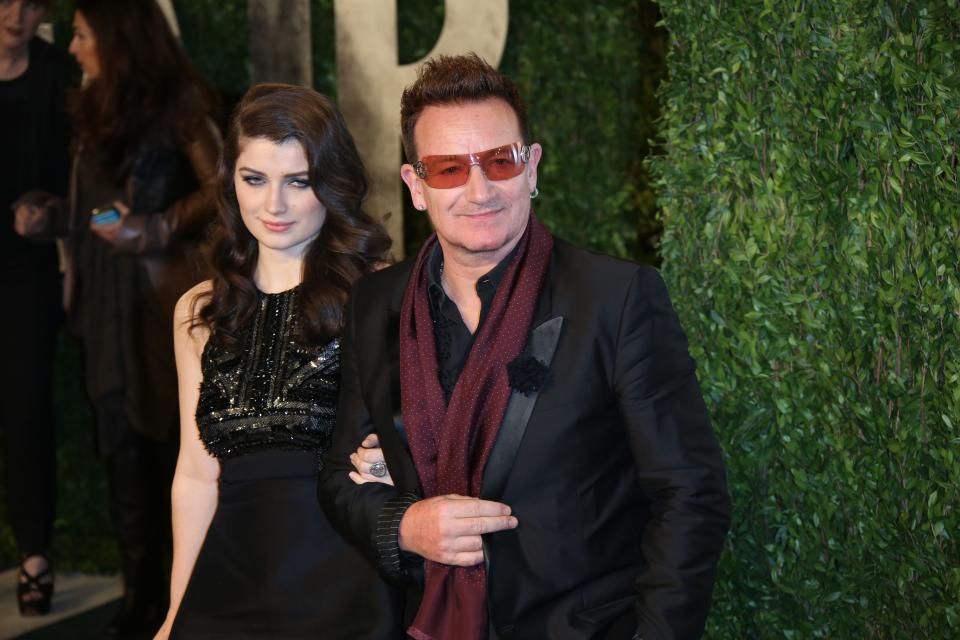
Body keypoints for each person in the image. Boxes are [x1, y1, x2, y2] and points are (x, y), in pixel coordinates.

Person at [319, 53, 733, 640]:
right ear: (416, 186)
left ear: (532, 167)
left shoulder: (614, 298)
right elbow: (339, 474)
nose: (480, 189)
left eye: (499, 161)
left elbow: (690, 494)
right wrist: (403, 527)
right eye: (448, 170)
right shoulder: (375, 303)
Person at [157, 83, 403, 639]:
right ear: (230, 182)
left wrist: (394, 456)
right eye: (255, 180)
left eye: (299, 181)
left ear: (331, 183)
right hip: (228, 580)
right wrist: (176, 611)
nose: (274, 205)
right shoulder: (198, 312)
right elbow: (196, 475)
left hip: (348, 579)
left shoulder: (380, 292)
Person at [14, 0, 220, 634]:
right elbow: (98, 209)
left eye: (79, 34)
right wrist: (51, 214)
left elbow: (225, 185)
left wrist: (152, 229)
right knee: (123, 449)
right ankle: (141, 602)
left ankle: (182, 605)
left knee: (173, 448)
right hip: (103, 300)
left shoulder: (178, 96)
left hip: (161, 303)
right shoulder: (89, 103)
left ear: (114, 35)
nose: (71, 47)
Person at [1, 0, 73, 617]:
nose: (14, 16)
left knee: (26, 410)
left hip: (29, 273)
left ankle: (35, 555)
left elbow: (84, 178)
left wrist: (58, 220)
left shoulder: (58, 73)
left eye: (27, 4)